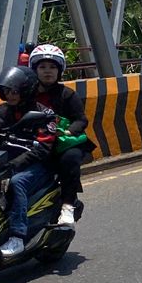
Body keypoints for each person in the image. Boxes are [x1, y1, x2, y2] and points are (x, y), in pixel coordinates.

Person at [0, 66, 63, 257]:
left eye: (15, 91)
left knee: (16, 184)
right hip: (4, 162)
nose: (10, 95)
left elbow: (43, 148)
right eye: (7, 90)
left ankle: (17, 236)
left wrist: (15, 164)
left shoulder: (44, 115)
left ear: (26, 91)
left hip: (38, 166)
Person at [26, 43, 91, 231]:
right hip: (35, 141)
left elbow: (81, 120)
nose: (48, 72)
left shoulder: (67, 94)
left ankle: (68, 205)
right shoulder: (27, 95)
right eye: (43, 67)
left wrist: (69, 131)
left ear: (60, 70)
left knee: (70, 159)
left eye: (53, 67)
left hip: (62, 143)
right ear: (34, 69)